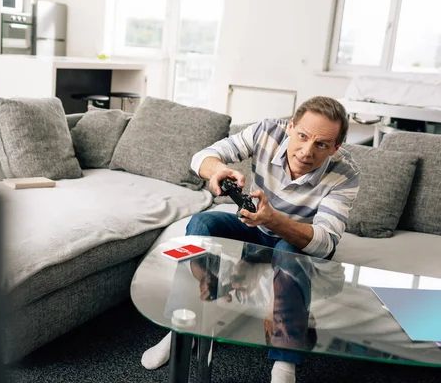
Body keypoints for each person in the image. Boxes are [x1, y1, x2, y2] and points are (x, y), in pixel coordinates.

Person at [141, 96, 360, 383]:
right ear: (291, 126)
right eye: (303, 136)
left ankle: (285, 365)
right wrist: (217, 170)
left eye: (321, 144)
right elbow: (200, 158)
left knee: (289, 251)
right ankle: (183, 329)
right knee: (203, 222)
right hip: (254, 225)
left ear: (336, 147)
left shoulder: (346, 173)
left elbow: (325, 242)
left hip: (296, 238)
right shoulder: (266, 132)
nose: (306, 151)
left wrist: (274, 220)